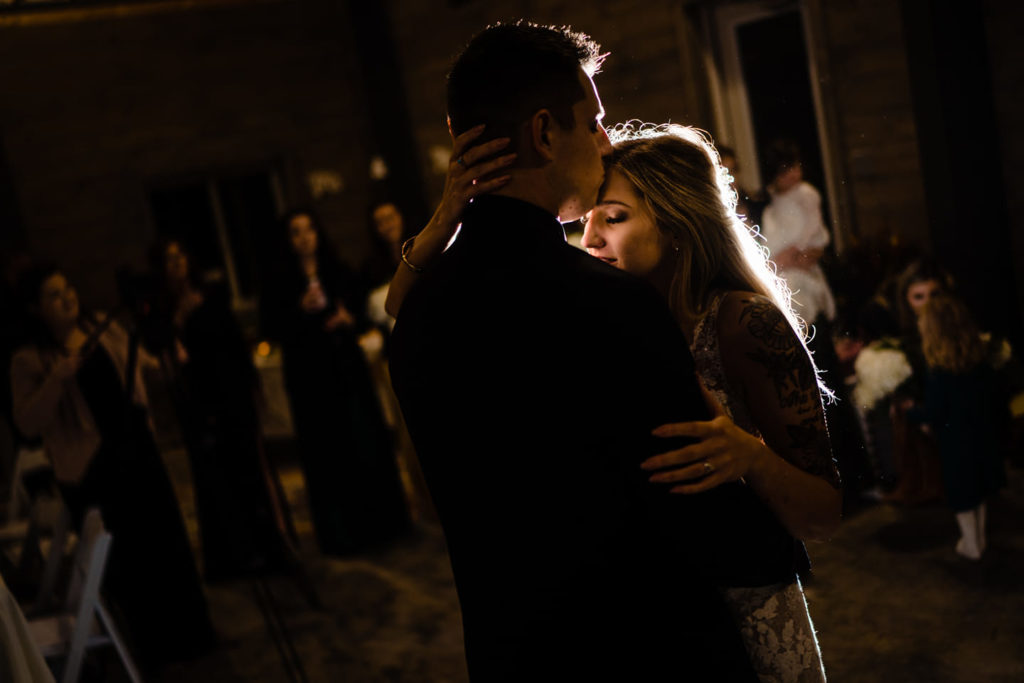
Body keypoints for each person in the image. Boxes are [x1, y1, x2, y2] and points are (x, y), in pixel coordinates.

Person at [389, 21, 812, 681]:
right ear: (543, 132)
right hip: (644, 650)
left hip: (512, 655)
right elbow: (701, 510)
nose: (606, 140)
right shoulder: (608, 305)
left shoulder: (416, 317)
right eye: (593, 121)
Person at [9, 263, 215, 670]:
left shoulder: (101, 324)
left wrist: (171, 354)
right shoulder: (30, 359)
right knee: (130, 559)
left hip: (136, 448)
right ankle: (155, 647)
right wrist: (57, 378)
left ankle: (193, 635)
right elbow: (27, 423)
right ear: (35, 309)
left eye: (68, 287)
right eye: (54, 294)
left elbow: (140, 366)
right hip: (93, 469)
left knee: (165, 540)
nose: (67, 297)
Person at [260, 209, 409, 556]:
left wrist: (348, 318)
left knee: (364, 442)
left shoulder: (338, 270)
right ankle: (343, 533)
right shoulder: (280, 281)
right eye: (296, 232)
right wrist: (298, 309)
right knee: (328, 452)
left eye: (309, 229)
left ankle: (384, 523)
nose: (305, 237)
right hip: (312, 379)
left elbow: (364, 312)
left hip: (346, 371)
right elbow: (272, 328)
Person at [145, 238, 294, 581]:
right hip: (198, 403)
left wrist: (252, 387)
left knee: (250, 470)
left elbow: (234, 345)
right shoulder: (163, 311)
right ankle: (233, 554)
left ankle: (268, 546)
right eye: (169, 259)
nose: (177, 264)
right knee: (215, 478)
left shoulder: (211, 295)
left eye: (180, 256)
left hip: (232, 396)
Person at [906, 294, 1006, 559]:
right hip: (984, 435)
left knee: (962, 494)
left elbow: (935, 412)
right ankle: (979, 538)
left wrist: (909, 413)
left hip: (956, 442)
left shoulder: (940, 371)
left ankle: (971, 544)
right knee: (980, 488)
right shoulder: (979, 361)